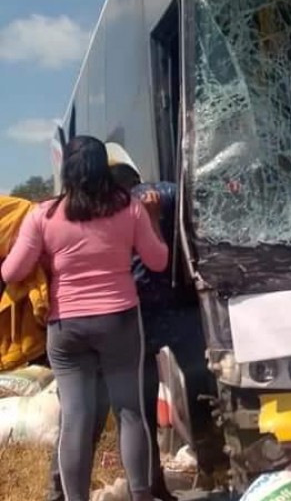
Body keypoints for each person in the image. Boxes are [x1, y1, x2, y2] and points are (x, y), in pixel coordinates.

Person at [1, 135, 168, 501]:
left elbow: (12, 273)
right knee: (130, 412)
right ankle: (142, 495)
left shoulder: (43, 215)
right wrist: (153, 220)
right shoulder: (130, 208)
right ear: (103, 169)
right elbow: (157, 262)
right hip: (119, 322)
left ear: (67, 171)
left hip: (66, 329)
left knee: (76, 416)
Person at [46, 147, 182, 501]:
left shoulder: (74, 213)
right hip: (127, 327)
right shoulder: (141, 203)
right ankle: (147, 488)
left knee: (82, 417)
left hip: (109, 328)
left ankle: (65, 491)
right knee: (127, 414)